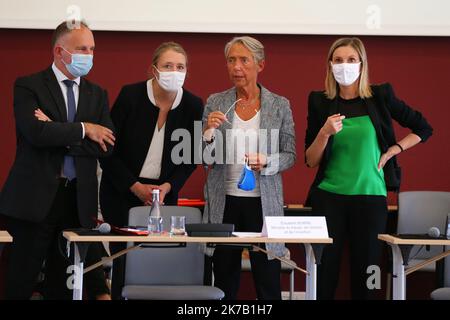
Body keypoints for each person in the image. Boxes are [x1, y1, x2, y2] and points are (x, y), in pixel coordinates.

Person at [305, 37, 433, 299]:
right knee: (324, 273)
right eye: (338, 60)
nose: (344, 65)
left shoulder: (381, 96)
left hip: (371, 199)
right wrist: (324, 133)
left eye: (351, 60)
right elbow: (310, 159)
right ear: (329, 65)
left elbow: (424, 128)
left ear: (362, 64)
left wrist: (394, 150)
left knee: (369, 274)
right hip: (329, 198)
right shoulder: (319, 101)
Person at [0, 21, 114, 300]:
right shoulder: (29, 86)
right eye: (82, 49)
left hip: (76, 202)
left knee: (62, 286)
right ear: (59, 51)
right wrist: (86, 130)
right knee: (21, 282)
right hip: (34, 201)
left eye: (92, 49)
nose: (89, 55)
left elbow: (106, 147)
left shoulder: (97, 93)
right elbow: (36, 133)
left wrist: (58, 132)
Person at [99, 42, 204, 299]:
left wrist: (168, 187)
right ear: (154, 69)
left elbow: (191, 157)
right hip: (122, 189)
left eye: (180, 67)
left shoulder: (193, 104)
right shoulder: (130, 96)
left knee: (159, 258)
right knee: (124, 260)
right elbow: (107, 149)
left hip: (164, 194)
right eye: (168, 66)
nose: (174, 71)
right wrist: (134, 186)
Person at [202, 36, 296, 300]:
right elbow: (205, 158)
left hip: (263, 203)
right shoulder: (215, 102)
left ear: (260, 65)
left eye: (244, 60)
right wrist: (208, 132)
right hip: (225, 201)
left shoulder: (280, 105)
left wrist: (267, 161)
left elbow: (290, 155)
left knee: (267, 281)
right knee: (224, 280)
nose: (236, 67)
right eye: (231, 60)